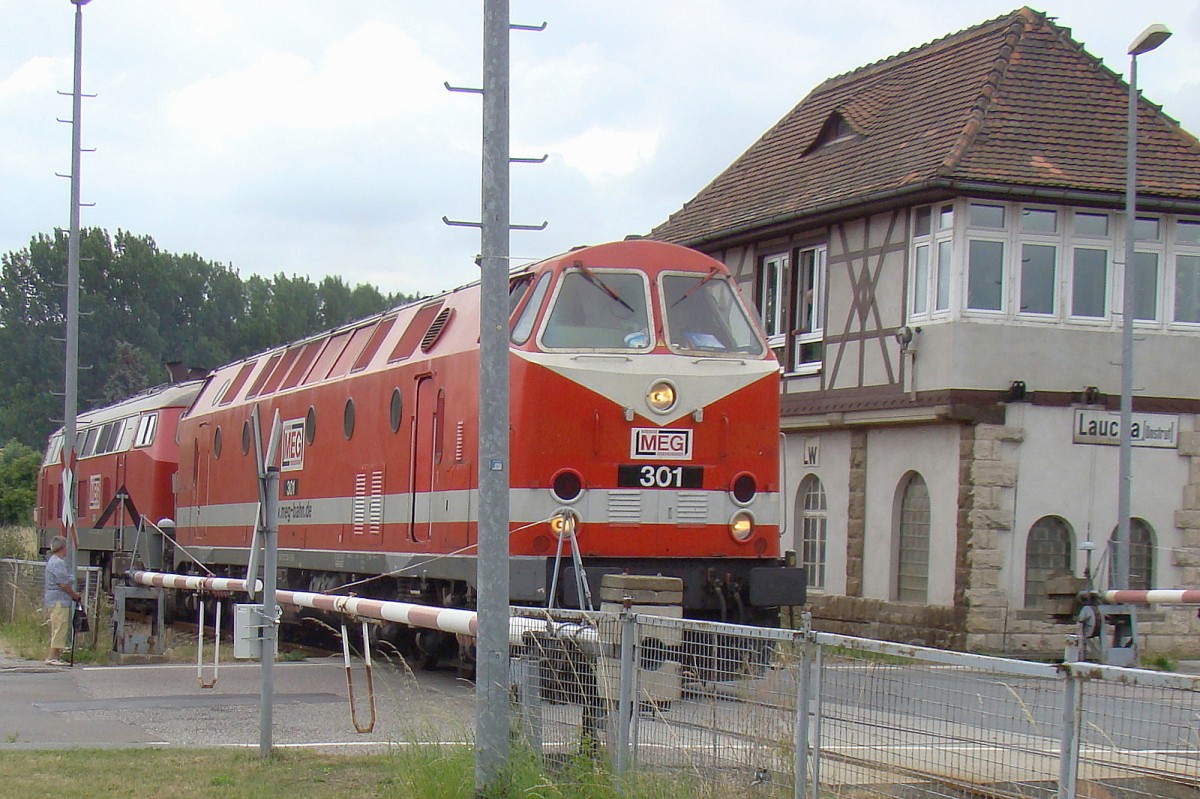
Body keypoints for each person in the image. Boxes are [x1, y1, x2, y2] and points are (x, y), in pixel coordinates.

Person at [43, 536, 81, 667]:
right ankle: (52, 656)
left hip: (55, 599)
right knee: (60, 627)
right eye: (66, 547)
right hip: (59, 600)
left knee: (58, 627)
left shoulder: (53, 561)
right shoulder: (58, 563)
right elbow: (63, 584)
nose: (67, 550)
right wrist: (74, 594)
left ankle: (56, 655)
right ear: (62, 548)